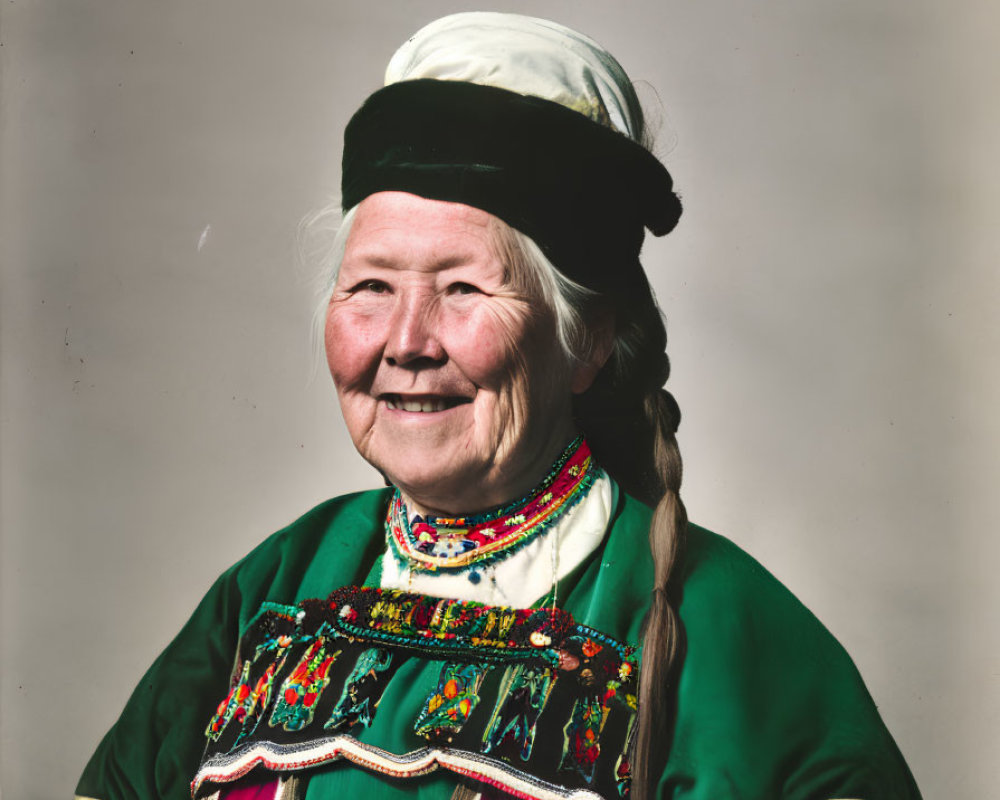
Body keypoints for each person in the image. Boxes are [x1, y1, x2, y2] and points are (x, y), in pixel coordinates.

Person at [76, 12, 921, 800]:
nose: (406, 340)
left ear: (588, 341)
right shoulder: (272, 589)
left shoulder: (723, 630)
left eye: (463, 289)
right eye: (370, 286)